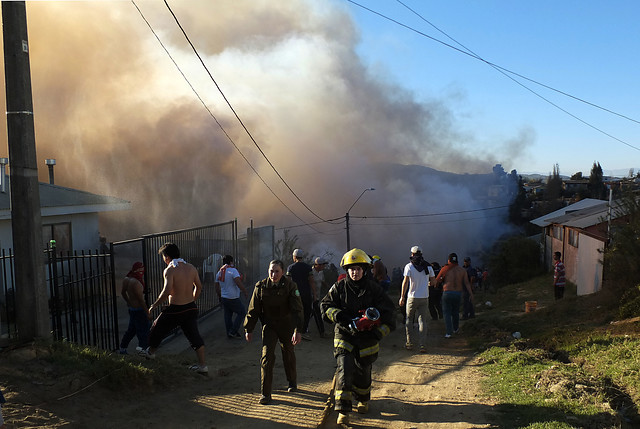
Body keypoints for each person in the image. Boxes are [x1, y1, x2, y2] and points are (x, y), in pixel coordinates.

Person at [320, 248, 396, 426]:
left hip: (367, 339)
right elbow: (325, 305)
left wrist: (377, 333)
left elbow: (390, 316)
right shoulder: (339, 287)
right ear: (347, 270)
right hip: (344, 334)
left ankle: (363, 399)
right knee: (344, 370)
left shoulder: (374, 290)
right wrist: (340, 316)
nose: (354, 272)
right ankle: (343, 409)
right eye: (351, 269)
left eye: (358, 269)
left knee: (363, 372)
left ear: (365, 270)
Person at [244, 260, 304, 405]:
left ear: (282, 272)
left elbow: (297, 310)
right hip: (269, 326)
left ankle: (292, 381)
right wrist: (249, 328)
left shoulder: (291, 286)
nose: (274, 274)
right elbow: (253, 309)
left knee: (288, 353)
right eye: (271, 271)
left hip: (286, 325)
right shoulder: (261, 286)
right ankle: (266, 394)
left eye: (277, 271)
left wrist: (298, 330)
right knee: (267, 357)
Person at [143, 243, 208, 374]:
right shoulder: (191, 267)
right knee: (194, 337)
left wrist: (154, 305)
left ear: (166, 257)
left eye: (163, 256)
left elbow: (166, 291)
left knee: (156, 329)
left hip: (175, 309)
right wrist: (192, 300)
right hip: (190, 308)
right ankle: (203, 366)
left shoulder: (170, 269)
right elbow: (199, 286)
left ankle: (150, 353)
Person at [399, 246, 435, 353]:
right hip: (424, 297)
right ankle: (422, 345)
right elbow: (434, 282)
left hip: (412, 297)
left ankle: (409, 343)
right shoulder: (428, 267)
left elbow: (405, 282)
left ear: (412, 254)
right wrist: (426, 284)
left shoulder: (409, 266)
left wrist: (402, 296)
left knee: (409, 320)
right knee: (422, 321)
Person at [435, 253, 473, 338]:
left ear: (449, 260)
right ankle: (456, 329)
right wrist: (471, 293)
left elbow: (437, 281)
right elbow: (467, 283)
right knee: (455, 312)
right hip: (458, 293)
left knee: (447, 313)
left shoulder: (445, 269)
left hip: (447, 293)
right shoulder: (462, 270)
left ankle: (449, 332)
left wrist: (435, 286)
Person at [119, 262, 151, 354]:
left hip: (132, 309)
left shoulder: (127, 279)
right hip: (139, 310)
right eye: (141, 269)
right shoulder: (136, 283)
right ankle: (143, 351)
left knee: (131, 330)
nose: (142, 271)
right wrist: (148, 313)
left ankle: (122, 348)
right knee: (143, 332)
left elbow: (123, 292)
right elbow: (141, 301)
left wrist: (129, 302)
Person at [215, 255, 249, 339]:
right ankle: (233, 331)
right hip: (232, 297)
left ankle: (229, 332)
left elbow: (216, 286)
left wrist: (219, 296)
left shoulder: (219, 272)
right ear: (231, 262)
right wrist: (244, 291)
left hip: (224, 297)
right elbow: (238, 282)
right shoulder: (233, 271)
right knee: (241, 312)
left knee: (228, 315)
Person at [286, 249, 316, 341]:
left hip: (295, 293)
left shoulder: (291, 267)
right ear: (302, 257)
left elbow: (288, 281)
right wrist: (314, 294)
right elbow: (311, 281)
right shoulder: (308, 267)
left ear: (294, 257)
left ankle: (295, 330)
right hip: (306, 293)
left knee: (295, 311)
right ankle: (303, 330)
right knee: (307, 311)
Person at [311, 257, 328, 338]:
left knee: (313, 313)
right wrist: (314, 296)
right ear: (318, 265)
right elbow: (311, 283)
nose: (324, 267)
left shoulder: (321, 272)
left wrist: (329, 288)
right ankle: (322, 332)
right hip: (311, 296)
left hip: (317, 296)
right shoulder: (311, 272)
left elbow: (322, 281)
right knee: (317, 313)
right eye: (323, 265)